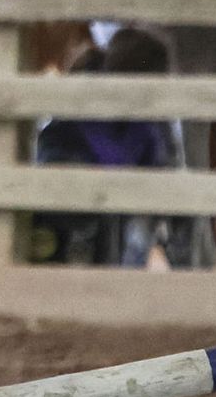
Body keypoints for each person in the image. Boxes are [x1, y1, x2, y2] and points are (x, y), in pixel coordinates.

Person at [30, 31, 180, 266]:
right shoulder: (90, 94)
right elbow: (114, 156)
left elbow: (151, 158)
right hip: (65, 183)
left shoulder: (139, 116)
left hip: (100, 194)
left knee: (125, 217)